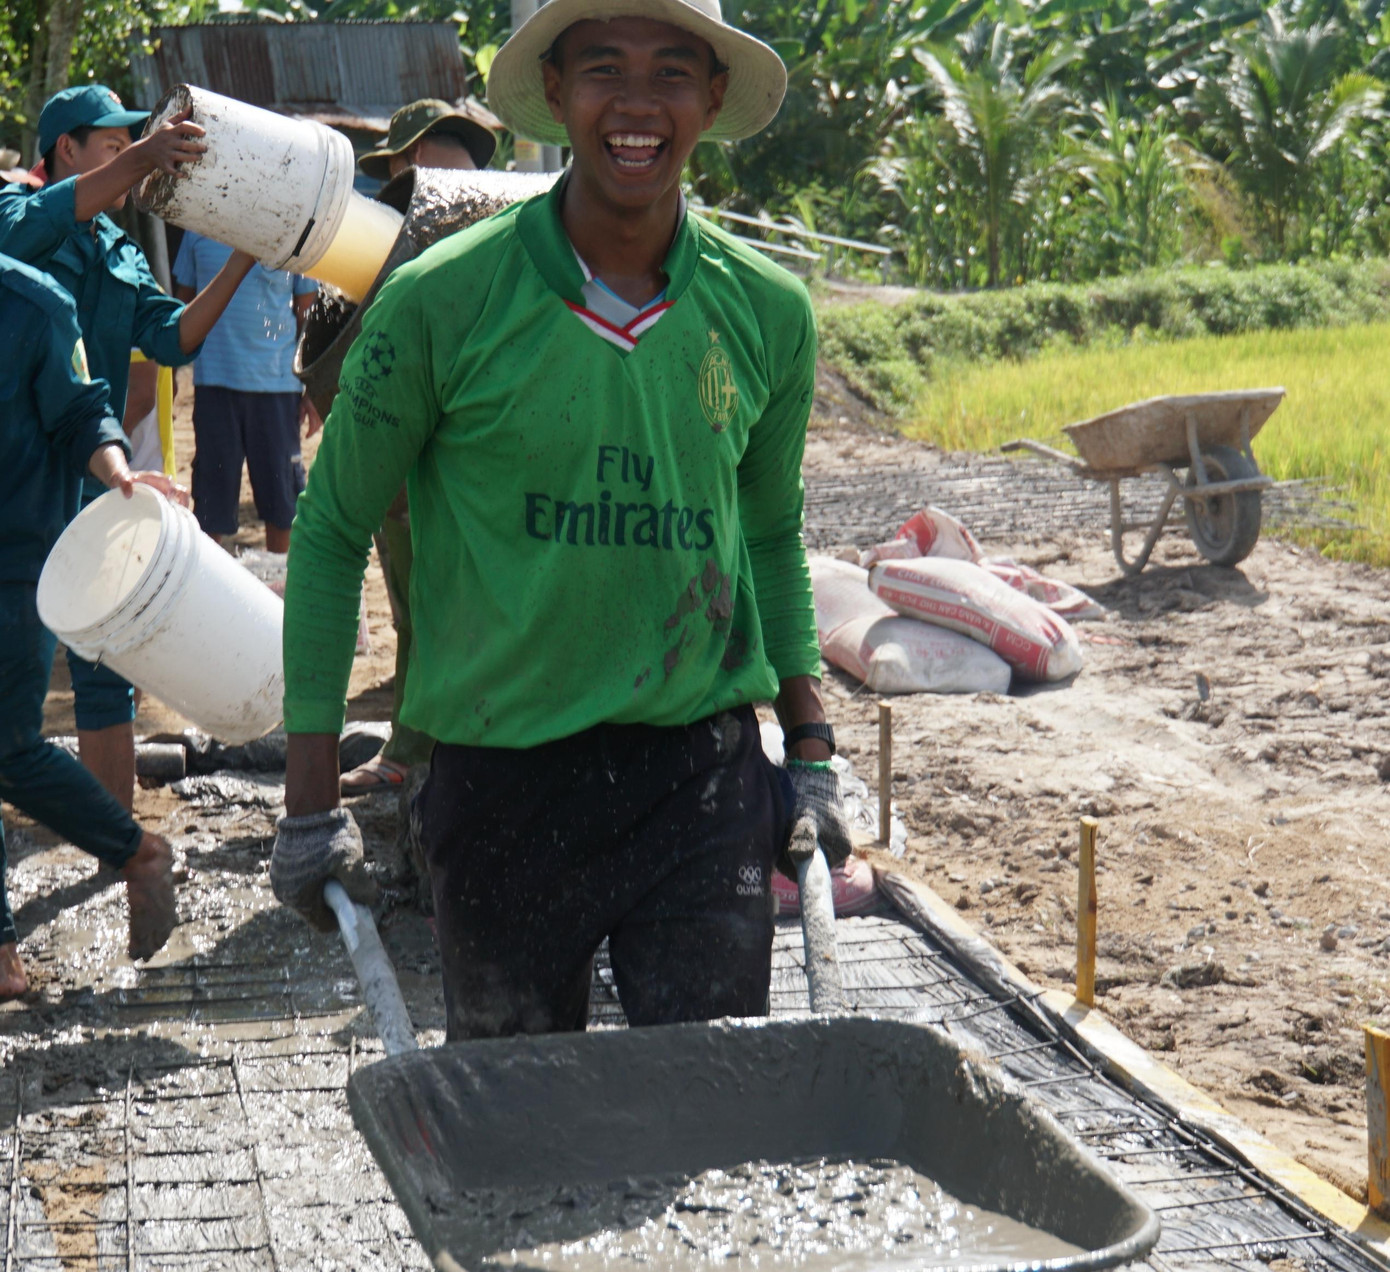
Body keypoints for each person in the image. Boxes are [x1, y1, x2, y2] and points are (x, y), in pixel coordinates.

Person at [271, 0, 852, 1040]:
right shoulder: (438, 302)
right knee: (522, 1134)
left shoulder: (766, 312)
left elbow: (767, 534)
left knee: (707, 1122)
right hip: (502, 789)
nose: (637, 105)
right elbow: (328, 533)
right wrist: (310, 807)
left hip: (700, 782)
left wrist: (807, 747)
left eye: (673, 71)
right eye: (603, 70)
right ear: (553, 89)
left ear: (714, 97)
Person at [0, 85, 256, 812]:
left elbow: (173, 338)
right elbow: (36, 227)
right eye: (110, 144)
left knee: (107, 660)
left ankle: (113, 847)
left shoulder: (120, 248)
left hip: (97, 476)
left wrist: (240, 259)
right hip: (17, 487)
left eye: (129, 144)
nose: (128, 157)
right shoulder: (16, 214)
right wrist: (145, 153)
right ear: (65, 152)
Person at [0, 250, 181, 998]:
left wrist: (119, 474)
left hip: (17, 559)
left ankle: (138, 851)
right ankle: (4, 960)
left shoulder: (36, 306)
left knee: (10, 746)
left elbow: (84, 413)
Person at [340, 99, 501, 795]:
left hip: (428, 447)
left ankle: (415, 752)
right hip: (481, 447)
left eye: (403, 162)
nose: (400, 176)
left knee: (421, 607)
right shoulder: (516, 224)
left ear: (420, 155)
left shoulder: (428, 228)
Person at [173, 231, 318, 553]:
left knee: (283, 507)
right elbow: (181, 307)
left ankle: (280, 597)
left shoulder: (291, 229)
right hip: (214, 385)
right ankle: (210, 594)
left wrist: (313, 388)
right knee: (211, 509)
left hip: (278, 389)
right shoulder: (198, 227)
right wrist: (167, 371)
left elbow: (308, 314)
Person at [358, 98, 499, 183]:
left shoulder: (433, 220)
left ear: (415, 150)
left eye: (396, 176)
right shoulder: (506, 198)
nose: (394, 188)